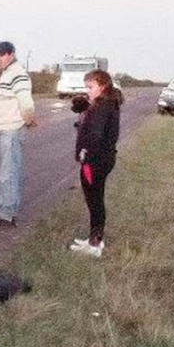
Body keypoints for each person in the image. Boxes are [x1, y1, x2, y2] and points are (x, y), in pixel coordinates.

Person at [0, 41, 36, 227]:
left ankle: (6, 213)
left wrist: (28, 120)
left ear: (11, 54)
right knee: (10, 170)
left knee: (8, 172)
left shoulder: (17, 74)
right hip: (7, 127)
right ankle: (5, 207)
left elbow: (26, 103)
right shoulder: (10, 73)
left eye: (1, 55)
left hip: (11, 129)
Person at [69, 70, 123, 258]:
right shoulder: (106, 104)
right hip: (103, 158)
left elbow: (97, 134)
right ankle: (94, 239)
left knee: (95, 201)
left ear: (103, 85)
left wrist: (85, 152)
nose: (88, 91)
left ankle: (95, 244)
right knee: (95, 199)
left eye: (91, 87)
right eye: (87, 87)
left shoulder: (102, 106)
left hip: (96, 161)